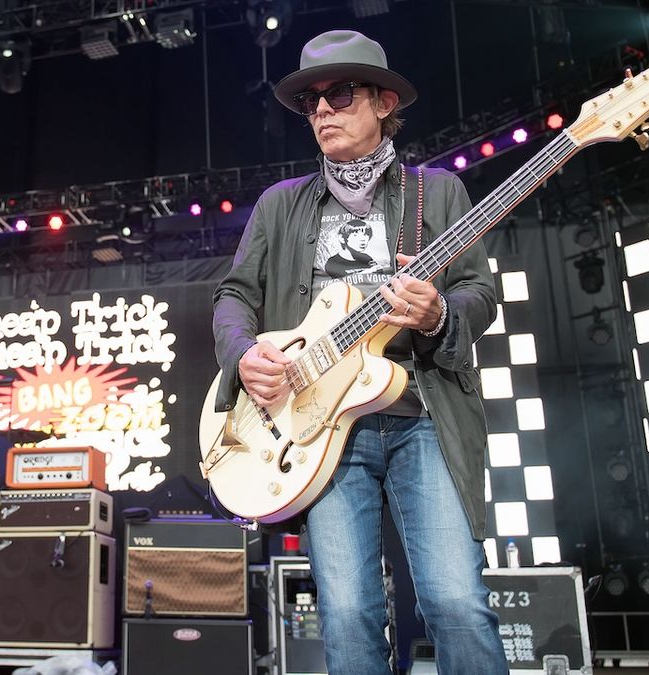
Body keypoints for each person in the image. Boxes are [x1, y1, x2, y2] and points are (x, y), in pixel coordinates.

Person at [211, 30, 508, 674]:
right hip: (319, 432)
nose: (322, 110)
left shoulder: (439, 192)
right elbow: (235, 296)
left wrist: (438, 315)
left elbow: (480, 292)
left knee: (456, 602)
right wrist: (242, 357)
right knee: (346, 614)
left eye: (339, 95)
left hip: (421, 416)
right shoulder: (279, 205)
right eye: (311, 102)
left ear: (382, 103)